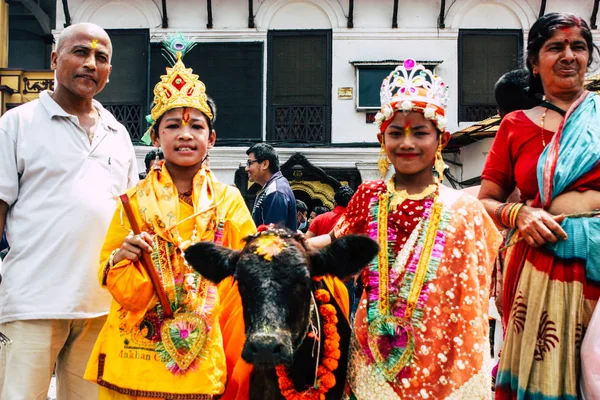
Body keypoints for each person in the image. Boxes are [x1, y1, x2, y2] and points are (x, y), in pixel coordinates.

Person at [309, 59, 502, 399]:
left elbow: (483, 286)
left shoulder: (466, 210)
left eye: (420, 132)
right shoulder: (368, 196)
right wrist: (285, 244)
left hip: (446, 359)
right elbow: (333, 242)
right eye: (396, 133)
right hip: (373, 357)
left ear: (440, 138)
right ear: (382, 138)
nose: (407, 143)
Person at [84, 35, 256, 398]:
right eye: (172, 126)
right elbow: (105, 266)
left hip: (203, 342)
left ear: (212, 139)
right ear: (155, 137)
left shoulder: (229, 201)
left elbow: (250, 270)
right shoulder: (134, 201)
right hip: (136, 352)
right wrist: (123, 256)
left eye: (196, 126)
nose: (184, 135)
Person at [0, 23, 138, 399]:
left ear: (109, 72)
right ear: (54, 59)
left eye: (101, 58)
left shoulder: (117, 133)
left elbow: (130, 220)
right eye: (80, 52)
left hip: (100, 306)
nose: (91, 63)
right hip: (32, 303)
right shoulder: (17, 124)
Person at [478, 13, 600, 399]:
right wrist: (520, 213)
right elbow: (486, 201)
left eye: (578, 47)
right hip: (541, 265)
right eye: (555, 48)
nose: (568, 55)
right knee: (545, 377)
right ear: (535, 62)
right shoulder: (515, 125)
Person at [246, 143, 297, 230]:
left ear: (265, 164)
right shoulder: (273, 188)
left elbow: (273, 237)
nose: (246, 168)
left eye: (249, 163)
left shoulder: (276, 191)